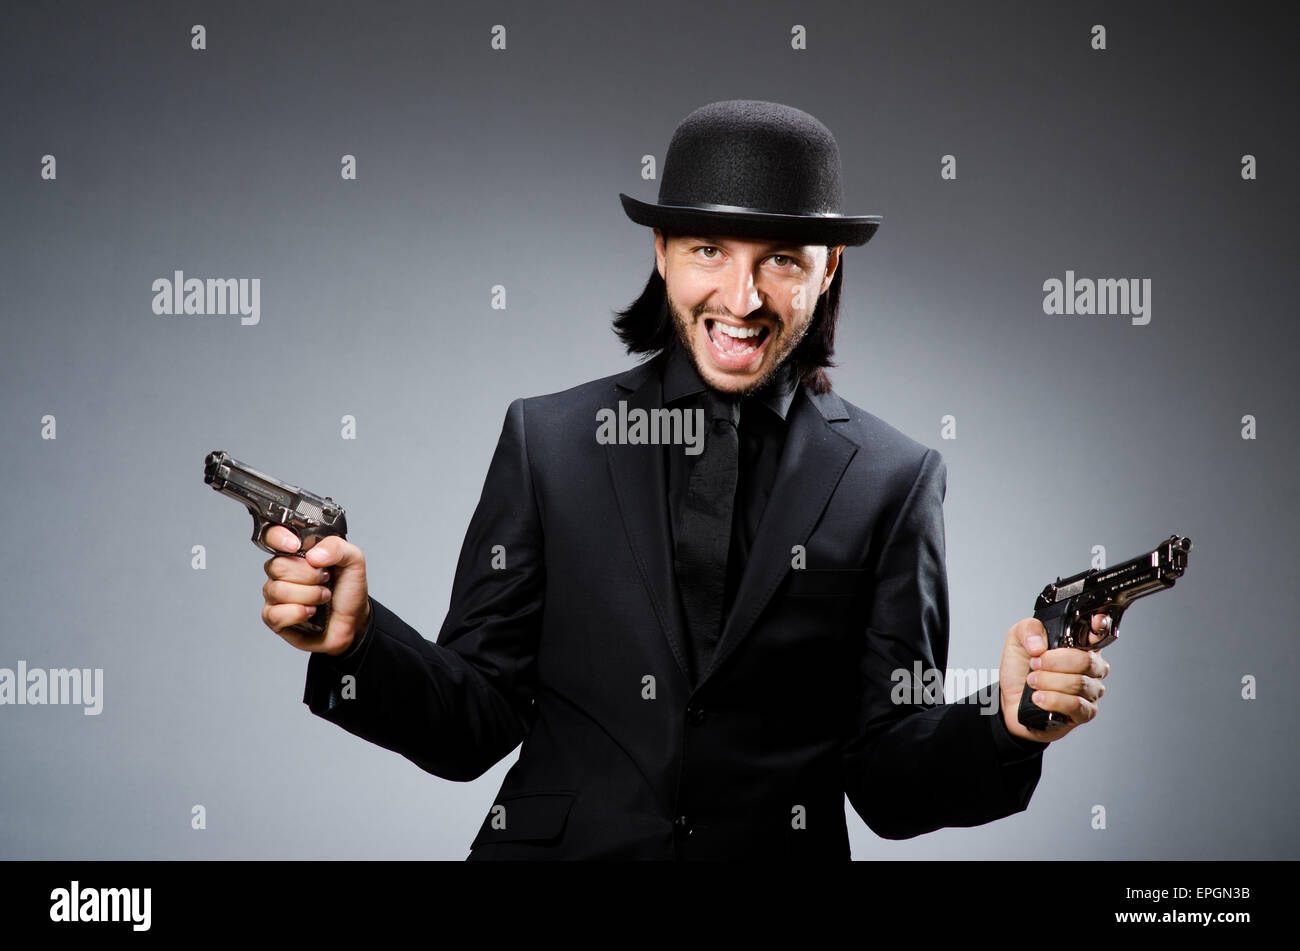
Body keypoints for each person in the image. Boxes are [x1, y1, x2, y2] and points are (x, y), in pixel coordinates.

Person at [259, 99, 1111, 860]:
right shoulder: (548, 440)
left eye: (780, 258)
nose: (741, 297)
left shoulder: (896, 480)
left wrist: (1003, 725)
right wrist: (358, 641)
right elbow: (476, 717)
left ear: (828, 269)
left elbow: (884, 776)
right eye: (710, 248)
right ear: (663, 253)